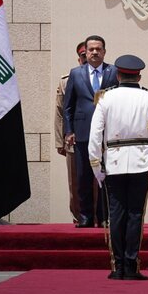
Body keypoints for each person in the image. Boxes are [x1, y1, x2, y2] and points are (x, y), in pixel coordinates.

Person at [88, 54, 148, 280]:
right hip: (141, 163)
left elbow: (95, 135)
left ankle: (118, 266)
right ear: (139, 75)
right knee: (135, 215)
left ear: (118, 74)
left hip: (113, 163)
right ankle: (132, 266)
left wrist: (96, 166)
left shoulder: (105, 98)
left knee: (116, 214)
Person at [63, 35, 119, 228]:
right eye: (91, 49)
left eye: (98, 49)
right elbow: (68, 106)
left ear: (104, 51)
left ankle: (104, 217)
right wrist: (68, 131)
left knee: (106, 176)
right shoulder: (75, 73)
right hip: (82, 132)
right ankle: (85, 216)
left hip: (108, 134)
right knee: (84, 177)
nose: (95, 52)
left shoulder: (114, 72)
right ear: (85, 52)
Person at [54, 41, 86, 223]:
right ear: (79, 57)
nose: (86, 57)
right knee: (75, 180)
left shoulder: (105, 76)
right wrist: (60, 141)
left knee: (99, 181)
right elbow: (60, 111)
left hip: (98, 139)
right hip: (73, 137)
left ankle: (98, 215)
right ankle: (78, 215)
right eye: (82, 55)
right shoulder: (67, 80)